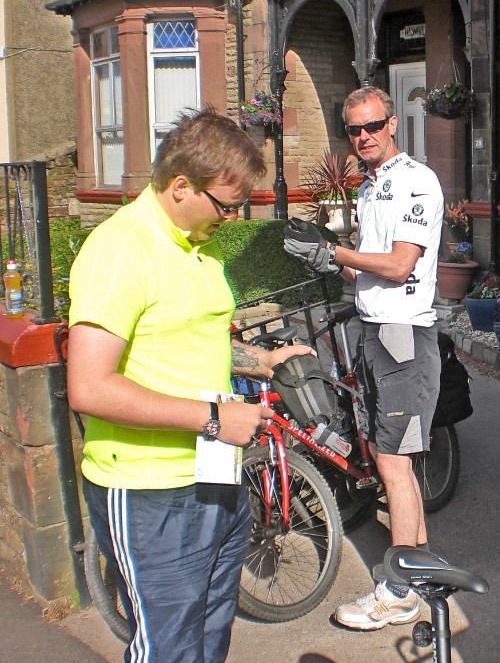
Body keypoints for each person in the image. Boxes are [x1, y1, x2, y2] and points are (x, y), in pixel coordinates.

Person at [67, 108, 314, 662]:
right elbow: (89, 386)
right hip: (151, 495)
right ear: (180, 186)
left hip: (215, 482)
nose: (231, 217)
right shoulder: (120, 250)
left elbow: (188, 338)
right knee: (168, 652)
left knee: (207, 642)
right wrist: (212, 417)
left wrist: (261, 360)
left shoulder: (193, 242)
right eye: (226, 205)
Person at [283, 86, 444, 631]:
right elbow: (364, 270)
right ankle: (416, 565)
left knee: (395, 465)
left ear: (393, 123)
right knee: (385, 456)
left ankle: (398, 593)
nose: (364, 137)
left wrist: (335, 250)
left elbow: (399, 266)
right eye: (353, 130)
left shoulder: (415, 181)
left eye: (372, 125)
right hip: (375, 330)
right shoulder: (372, 188)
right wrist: (328, 260)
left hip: (404, 335)